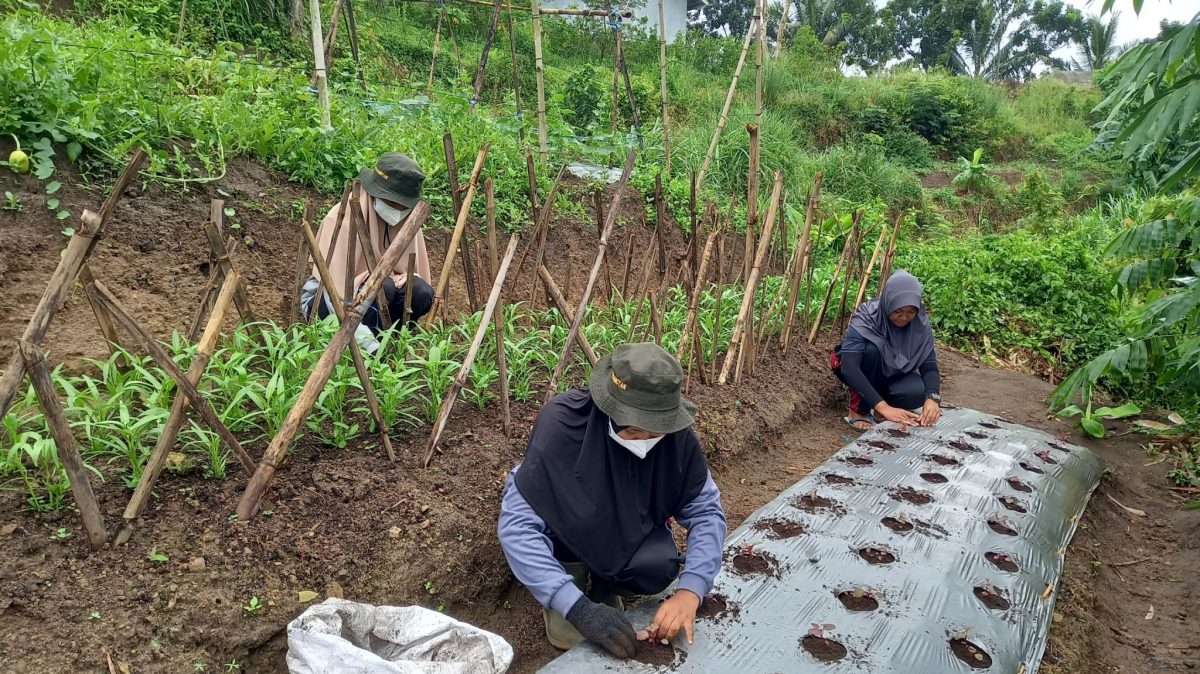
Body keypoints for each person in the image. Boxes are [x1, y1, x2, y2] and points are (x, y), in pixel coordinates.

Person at [498, 342, 727, 659]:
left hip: (625, 533)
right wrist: (576, 608)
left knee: (658, 564)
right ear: (609, 409)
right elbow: (517, 527)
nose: (645, 442)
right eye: (634, 431)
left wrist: (691, 590)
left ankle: (609, 585)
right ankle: (571, 582)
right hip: (569, 535)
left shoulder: (677, 440)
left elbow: (706, 513)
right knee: (570, 624)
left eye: (655, 433)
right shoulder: (562, 427)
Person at [299, 152, 435, 346]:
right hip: (329, 304)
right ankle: (367, 345)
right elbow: (332, 290)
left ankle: (389, 338)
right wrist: (363, 341)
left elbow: (411, 274)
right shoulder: (341, 218)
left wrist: (406, 277)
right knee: (383, 287)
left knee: (420, 291)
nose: (397, 210)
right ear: (375, 193)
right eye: (391, 202)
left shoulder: (408, 221)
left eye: (403, 205)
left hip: (379, 297)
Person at [831, 269, 942, 431]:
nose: (904, 318)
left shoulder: (920, 324)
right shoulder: (867, 316)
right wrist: (885, 408)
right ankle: (859, 411)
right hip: (859, 366)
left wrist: (933, 397)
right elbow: (850, 367)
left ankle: (879, 410)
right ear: (889, 303)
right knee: (872, 350)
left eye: (911, 312)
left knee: (917, 391)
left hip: (892, 372)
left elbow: (929, 365)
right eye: (898, 311)